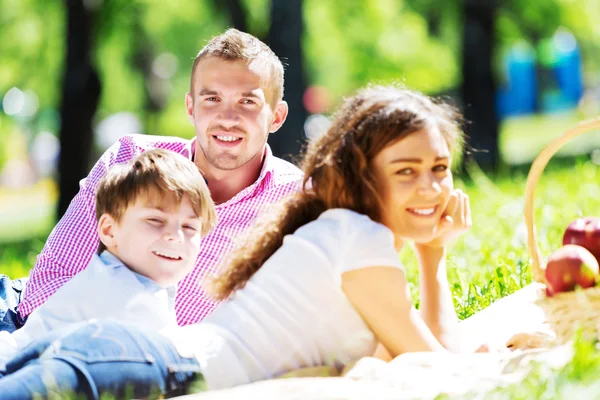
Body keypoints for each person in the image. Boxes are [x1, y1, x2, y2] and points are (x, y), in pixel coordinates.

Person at [0, 85, 483, 399]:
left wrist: (432, 253)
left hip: (126, 357)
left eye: (439, 169)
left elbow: (424, 349)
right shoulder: (358, 238)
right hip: (146, 366)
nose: (431, 188)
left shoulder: (343, 234)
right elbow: (436, 368)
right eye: (406, 171)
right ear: (361, 173)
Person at [0, 28, 303, 333]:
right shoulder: (132, 159)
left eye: (247, 102)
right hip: (34, 329)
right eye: (212, 98)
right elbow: (46, 289)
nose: (227, 117)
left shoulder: (298, 202)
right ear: (191, 108)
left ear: (276, 116)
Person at [0, 149, 217, 366]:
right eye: (155, 220)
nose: (175, 236)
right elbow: (173, 363)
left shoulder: (118, 274)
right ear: (109, 230)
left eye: (189, 226)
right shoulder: (126, 292)